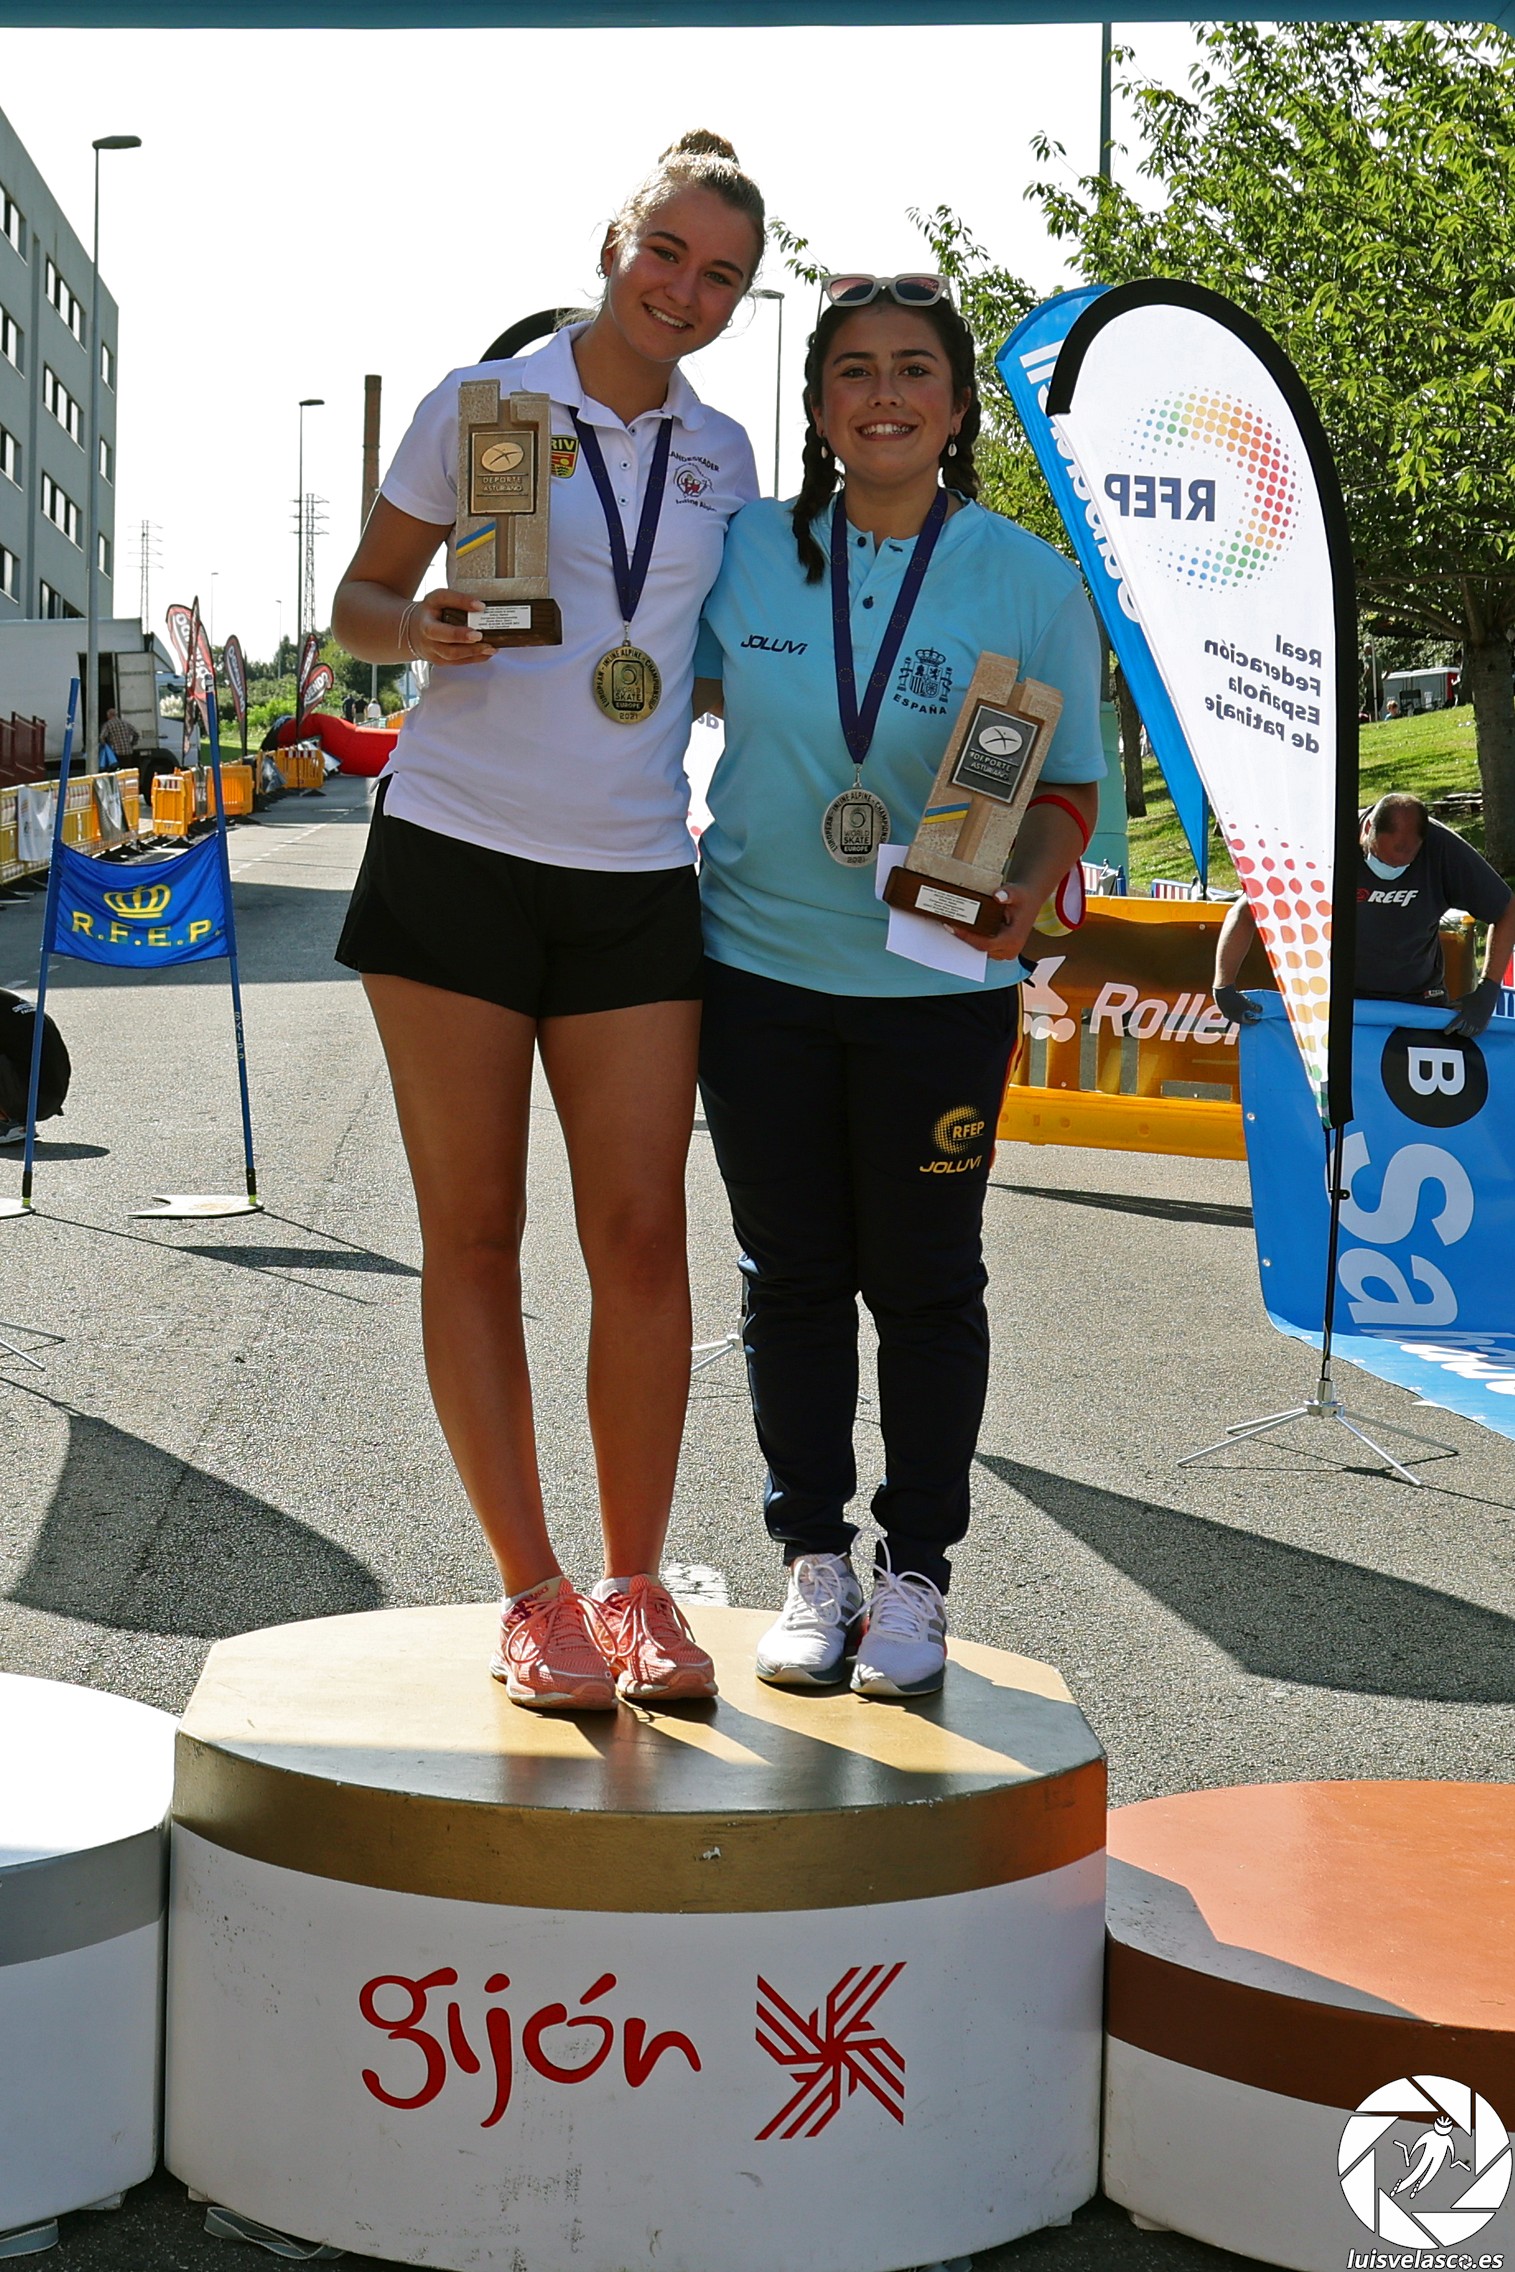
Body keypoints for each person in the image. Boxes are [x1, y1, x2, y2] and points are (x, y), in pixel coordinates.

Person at [331, 131, 764, 1711]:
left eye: (720, 276)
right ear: (613, 243)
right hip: (453, 853)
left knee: (642, 1236)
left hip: (634, 873)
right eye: (667, 251)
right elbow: (357, 608)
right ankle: (531, 1593)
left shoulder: (723, 458)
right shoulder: (483, 404)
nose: (685, 290)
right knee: (475, 1234)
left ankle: (634, 1585)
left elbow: (725, 665)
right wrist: (422, 627)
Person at [692, 276, 1104, 1699]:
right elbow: (642, 682)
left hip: (936, 989)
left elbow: (1066, 790)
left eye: (914, 369)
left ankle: (916, 1571)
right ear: (815, 407)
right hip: (757, 973)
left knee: (925, 1286)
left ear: (957, 404)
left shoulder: (1028, 579)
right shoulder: (744, 551)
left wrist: (1020, 895)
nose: (884, 394)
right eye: (854, 370)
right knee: (791, 1282)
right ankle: (813, 1560)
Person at [1215, 791, 1515, 1037]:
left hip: (1417, 999)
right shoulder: (1321, 844)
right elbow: (1246, 910)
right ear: (1368, 829)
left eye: (1404, 864)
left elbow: (1507, 910)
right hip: (1333, 1000)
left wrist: (1488, 989)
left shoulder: (1443, 848)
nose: (1391, 870)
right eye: (1383, 858)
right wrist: (1223, 985)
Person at [98, 705, 138, 772]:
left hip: (116, 753)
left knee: (118, 772)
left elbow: (102, 737)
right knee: (127, 771)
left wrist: (106, 747)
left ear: (109, 716)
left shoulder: (108, 724)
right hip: (128, 752)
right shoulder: (125, 723)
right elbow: (136, 734)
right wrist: (132, 744)